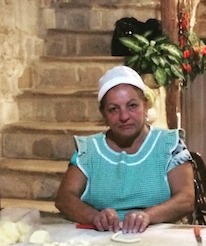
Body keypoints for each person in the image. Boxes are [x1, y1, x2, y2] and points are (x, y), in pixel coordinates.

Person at [55, 66, 195, 233]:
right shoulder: (89, 150)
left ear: (145, 105)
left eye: (132, 106)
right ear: (103, 113)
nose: (124, 117)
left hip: (160, 238)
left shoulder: (169, 145)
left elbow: (186, 199)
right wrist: (94, 216)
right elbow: (64, 198)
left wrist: (148, 216)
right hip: (101, 240)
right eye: (114, 109)